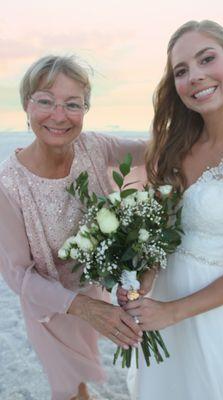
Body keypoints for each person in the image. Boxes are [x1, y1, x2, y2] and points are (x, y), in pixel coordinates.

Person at [118, 20, 223, 399]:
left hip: (215, 321)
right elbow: (161, 233)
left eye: (206, 59)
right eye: (181, 71)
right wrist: (144, 278)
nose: (195, 76)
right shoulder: (173, 149)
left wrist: (172, 312)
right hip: (160, 315)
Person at [0, 55, 145, 400]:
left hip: (96, 291)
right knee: (65, 387)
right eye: (46, 101)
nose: (59, 115)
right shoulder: (8, 183)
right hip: (50, 306)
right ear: (26, 104)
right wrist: (86, 308)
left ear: (86, 109)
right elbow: (19, 276)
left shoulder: (95, 147)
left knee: (80, 385)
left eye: (72, 104)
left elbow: (159, 153)